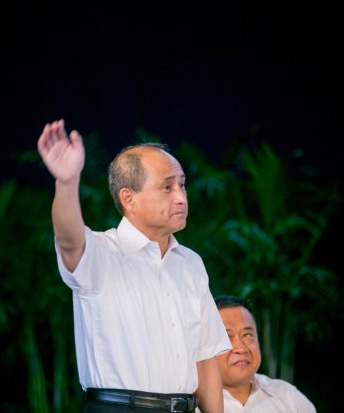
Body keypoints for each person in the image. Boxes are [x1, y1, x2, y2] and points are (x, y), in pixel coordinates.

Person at [37, 118, 231, 413]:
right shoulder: (101, 253)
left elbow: (204, 358)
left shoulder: (191, 264)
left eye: (182, 185)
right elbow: (69, 241)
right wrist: (66, 182)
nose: (181, 197)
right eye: (167, 187)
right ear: (129, 199)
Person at [212, 295, 316, 413]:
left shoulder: (289, 398)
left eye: (247, 335)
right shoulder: (196, 405)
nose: (241, 348)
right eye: (226, 337)